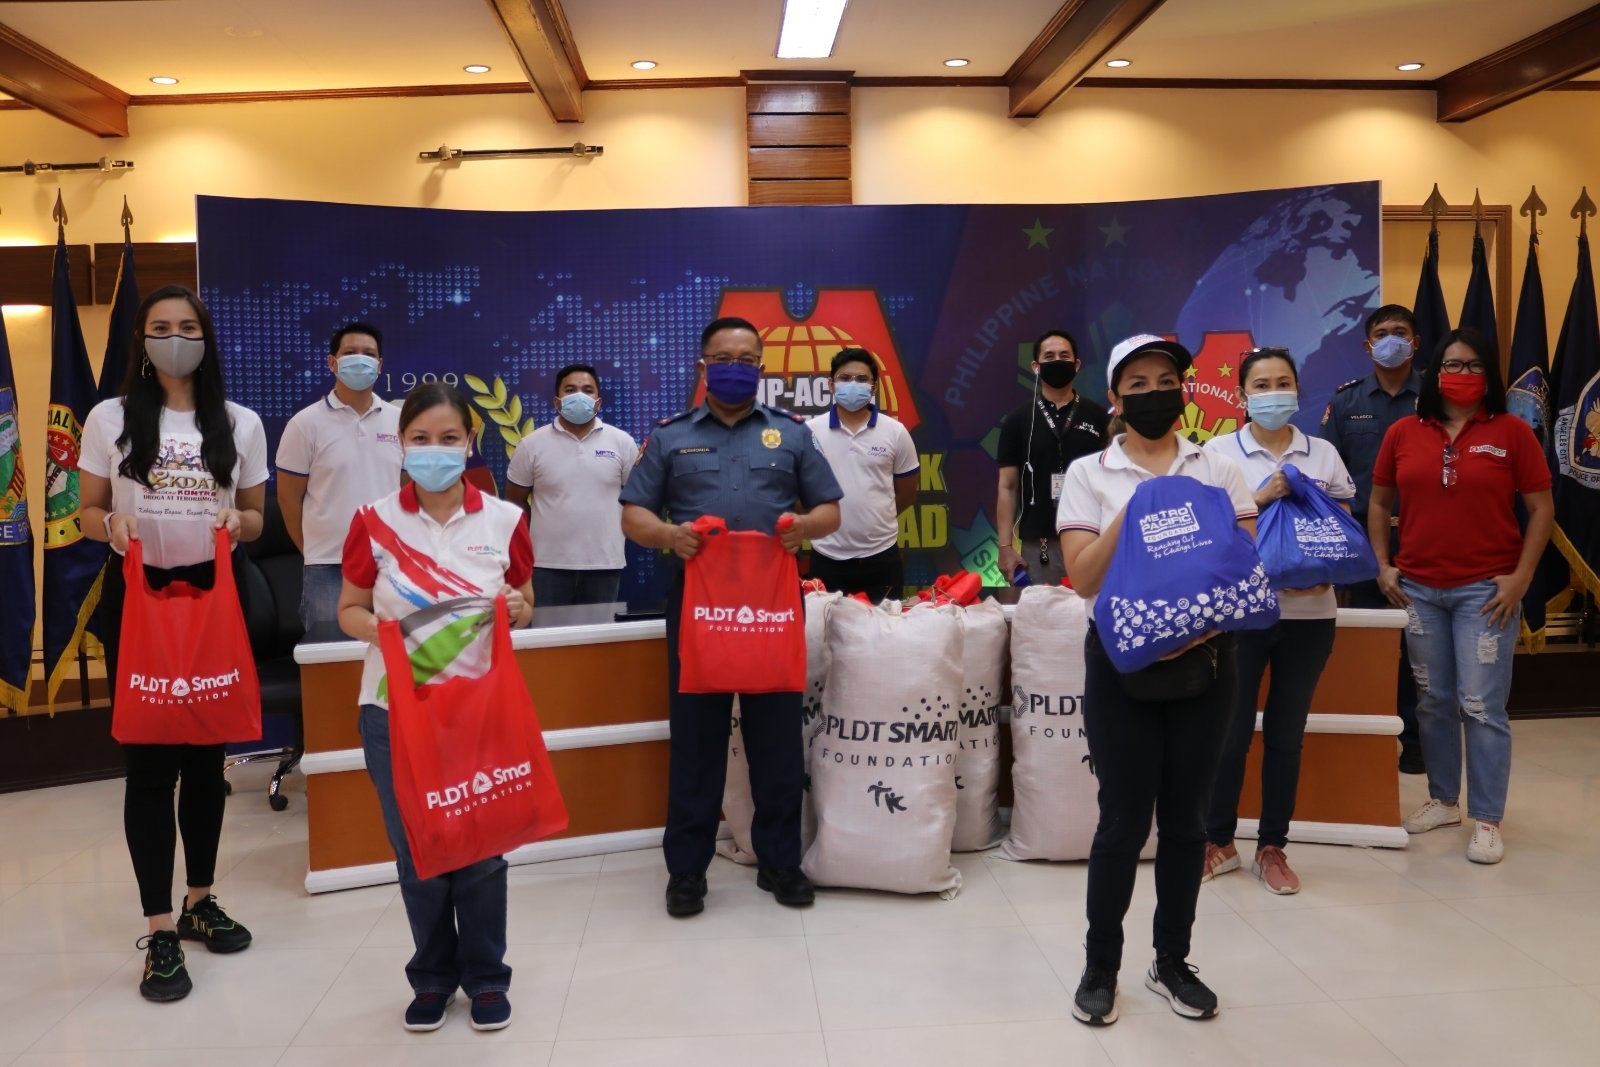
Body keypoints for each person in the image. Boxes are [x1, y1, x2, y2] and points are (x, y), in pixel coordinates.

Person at [1056, 334, 1258, 1026]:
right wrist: (1140, 512)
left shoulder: (1220, 467)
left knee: (1186, 822)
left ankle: (1171, 959)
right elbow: (1082, 575)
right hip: (1120, 668)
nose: (1151, 392)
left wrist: (1201, 617)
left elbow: (1242, 568)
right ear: (1114, 398)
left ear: (1185, 388)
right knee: (1120, 823)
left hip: (1208, 664)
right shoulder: (1090, 472)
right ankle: (1100, 966)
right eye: (1134, 383)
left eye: (1164, 379)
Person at [78, 285, 269, 1002]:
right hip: (142, 601)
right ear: (141, 338)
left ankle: (200, 901)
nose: (174, 337)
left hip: (216, 600)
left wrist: (237, 523)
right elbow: (90, 509)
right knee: (152, 765)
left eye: (187, 326)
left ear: (206, 337)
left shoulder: (242, 422)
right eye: (161, 327)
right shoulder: (111, 417)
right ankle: (160, 930)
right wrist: (111, 528)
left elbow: (254, 514)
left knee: (206, 757)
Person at [621, 316, 843, 918]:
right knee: (696, 738)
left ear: (762, 368)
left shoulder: (792, 435)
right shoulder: (669, 436)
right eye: (724, 357)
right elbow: (633, 515)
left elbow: (829, 510)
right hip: (699, 604)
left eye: (746, 358)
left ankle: (780, 862)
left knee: (775, 735)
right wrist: (671, 533)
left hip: (772, 602)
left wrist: (803, 528)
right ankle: (687, 871)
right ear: (703, 366)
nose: (735, 367)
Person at [337, 382, 535, 1032]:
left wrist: (516, 608)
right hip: (394, 710)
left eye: (449, 438)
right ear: (401, 445)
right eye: (420, 439)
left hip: (479, 709)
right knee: (419, 850)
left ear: (471, 442)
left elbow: (525, 602)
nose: (434, 450)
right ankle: (431, 976)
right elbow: (348, 611)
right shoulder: (373, 519)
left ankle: (485, 977)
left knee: (481, 850)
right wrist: (396, 634)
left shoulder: (503, 519)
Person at [1369, 327, 1552, 866]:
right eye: (1453, 364)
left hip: (1486, 593)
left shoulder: (1513, 432)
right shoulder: (1403, 431)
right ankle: (1445, 800)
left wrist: (1521, 579)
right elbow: (1379, 504)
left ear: (1489, 375)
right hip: (1419, 592)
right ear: (1435, 371)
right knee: (1433, 700)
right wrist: (1383, 566)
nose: (1463, 374)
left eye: (1474, 366)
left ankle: (1488, 818)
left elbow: (1541, 510)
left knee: (1481, 705)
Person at [1202, 347, 1357, 895]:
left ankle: (1273, 847)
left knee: (1287, 736)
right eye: (1261, 384)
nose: (1273, 392)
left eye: (1283, 382)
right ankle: (1218, 842)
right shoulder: (1217, 454)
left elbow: (1342, 530)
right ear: (1243, 395)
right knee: (1230, 733)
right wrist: (1261, 497)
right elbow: (1206, 537)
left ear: (1297, 389)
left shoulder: (1323, 453)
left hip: (1311, 616)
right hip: (1240, 620)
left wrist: (1330, 574)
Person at [1319, 304, 1426, 773]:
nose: (1390, 340)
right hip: (1363, 544)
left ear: (1415, 342)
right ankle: (1370, 738)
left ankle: (1420, 742)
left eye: (1400, 332)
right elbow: (1327, 481)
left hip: (1426, 539)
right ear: (1367, 346)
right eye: (1381, 333)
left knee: (1423, 649)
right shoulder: (1345, 402)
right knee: (1369, 646)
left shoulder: (1438, 398)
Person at [276, 321, 401, 631]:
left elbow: (408, 492)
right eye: (350, 352)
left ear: (380, 365)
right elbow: (288, 500)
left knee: (394, 662)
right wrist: (314, 552)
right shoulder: (304, 424)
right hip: (329, 568)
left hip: (391, 566)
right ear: (332, 362)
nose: (361, 359)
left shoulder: (401, 421)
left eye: (369, 354)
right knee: (332, 663)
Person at [504, 364, 638, 606]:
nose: (580, 395)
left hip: (604, 564)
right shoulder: (531, 445)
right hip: (547, 565)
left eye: (588, 390)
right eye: (570, 389)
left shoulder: (622, 442)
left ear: (598, 402)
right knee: (549, 640)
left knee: (599, 640)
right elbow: (514, 501)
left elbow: (636, 498)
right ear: (557, 401)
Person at [804, 347, 919, 602]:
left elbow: (908, 492)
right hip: (827, 558)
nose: (852, 385)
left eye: (862, 379)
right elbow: (800, 493)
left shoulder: (896, 432)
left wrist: (875, 518)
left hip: (881, 557)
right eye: (844, 378)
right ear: (831, 385)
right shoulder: (809, 432)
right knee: (827, 638)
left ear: (874, 387)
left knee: (885, 636)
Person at [997, 329, 1109, 584]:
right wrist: (1005, 546)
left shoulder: (1100, 417)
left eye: (1064, 355)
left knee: (1093, 616)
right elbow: (1008, 486)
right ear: (1036, 367)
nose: (1057, 361)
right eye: (1049, 356)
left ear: (1077, 365)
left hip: (1093, 539)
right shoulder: (1017, 420)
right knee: (1041, 619)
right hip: (1040, 545)